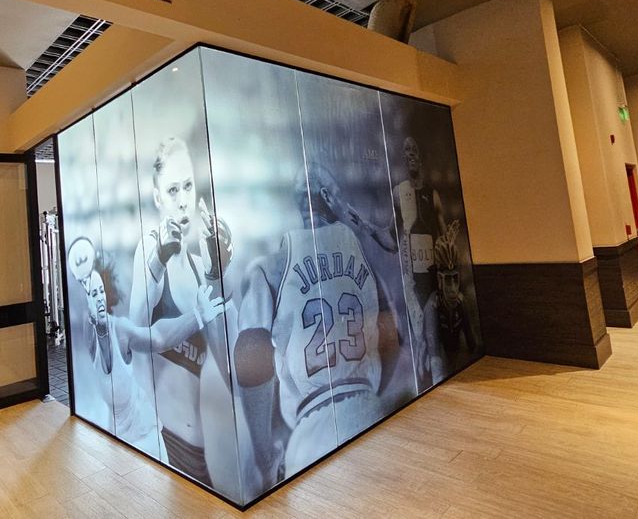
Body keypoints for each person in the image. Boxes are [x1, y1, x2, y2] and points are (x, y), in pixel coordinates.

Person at [234, 163, 403, 491]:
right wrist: (371, 399)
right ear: (327, 196)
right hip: (368, 406)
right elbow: (391, 336)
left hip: (311, 428)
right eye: (340, 194)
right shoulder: (362, 255)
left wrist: (264, 454)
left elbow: (250, 351)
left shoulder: (271, 266)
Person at [128, 137, 234, 489]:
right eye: (172, 190)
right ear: (158, 197)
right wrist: (158, 261)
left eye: (187, 186)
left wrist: (217, 274)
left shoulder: (200, 265)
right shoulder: (149, 248)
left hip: (202, 454)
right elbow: (136, 337)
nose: (183, 199)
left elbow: (228, 363)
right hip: (162, 443)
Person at [67, 237, 225, 455]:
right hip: (122, 440)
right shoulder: (90, 338)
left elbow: (158, 337)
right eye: (94, 294)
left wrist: (198, 316)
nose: (100, 298)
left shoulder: (120, 331)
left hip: (147, 438)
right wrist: (85, 277)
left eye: (101, 291)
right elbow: (82, 310)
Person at [391, 136, 446, 389]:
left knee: (433, 338)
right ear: (403, 158)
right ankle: (421, 389)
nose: (410, 154)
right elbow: (391, 236)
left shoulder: (432, 195)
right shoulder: (398, 194)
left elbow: (445, 240)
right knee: (416, 342)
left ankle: (440, 384)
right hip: (410, 280)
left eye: (414, 149)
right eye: (406, 150)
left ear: (420, 157)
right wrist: (368, 228)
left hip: (430, 279)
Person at [423, 221, 476, 383]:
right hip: (434, 365)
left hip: (455, 362)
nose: (453, 288)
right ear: (440, 280)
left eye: (455, 279)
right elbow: (434, 352)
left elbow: (471, 341)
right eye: (447, 280)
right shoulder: (432, 307)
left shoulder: (461, 302)